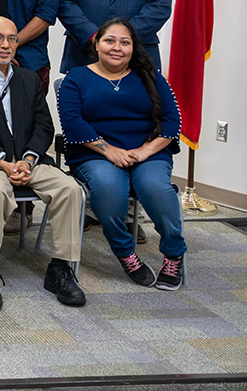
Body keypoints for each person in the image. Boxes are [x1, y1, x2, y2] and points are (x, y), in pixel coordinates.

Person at [0, 17, 86, 310]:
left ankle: (60, 268)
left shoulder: (28, 78)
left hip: (29, 160)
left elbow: (43, 126)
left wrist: (27, 160)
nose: (5, 45)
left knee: (69, 188)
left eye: (12, 39)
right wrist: (3, 163)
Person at [58, 18, 185, 290]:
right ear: (97, 43)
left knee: (155, 187)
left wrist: (144, 151)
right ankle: (126, 254)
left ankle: (174, 254)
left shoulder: (150, 76)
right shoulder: (76, 78)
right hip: (94, 152)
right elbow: (71, 122)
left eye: (125, 42)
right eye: (110, 40)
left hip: (147, 152)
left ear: (133, 47)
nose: (117, 48)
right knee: (107, 188)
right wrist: (109, 150)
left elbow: (173, 121)